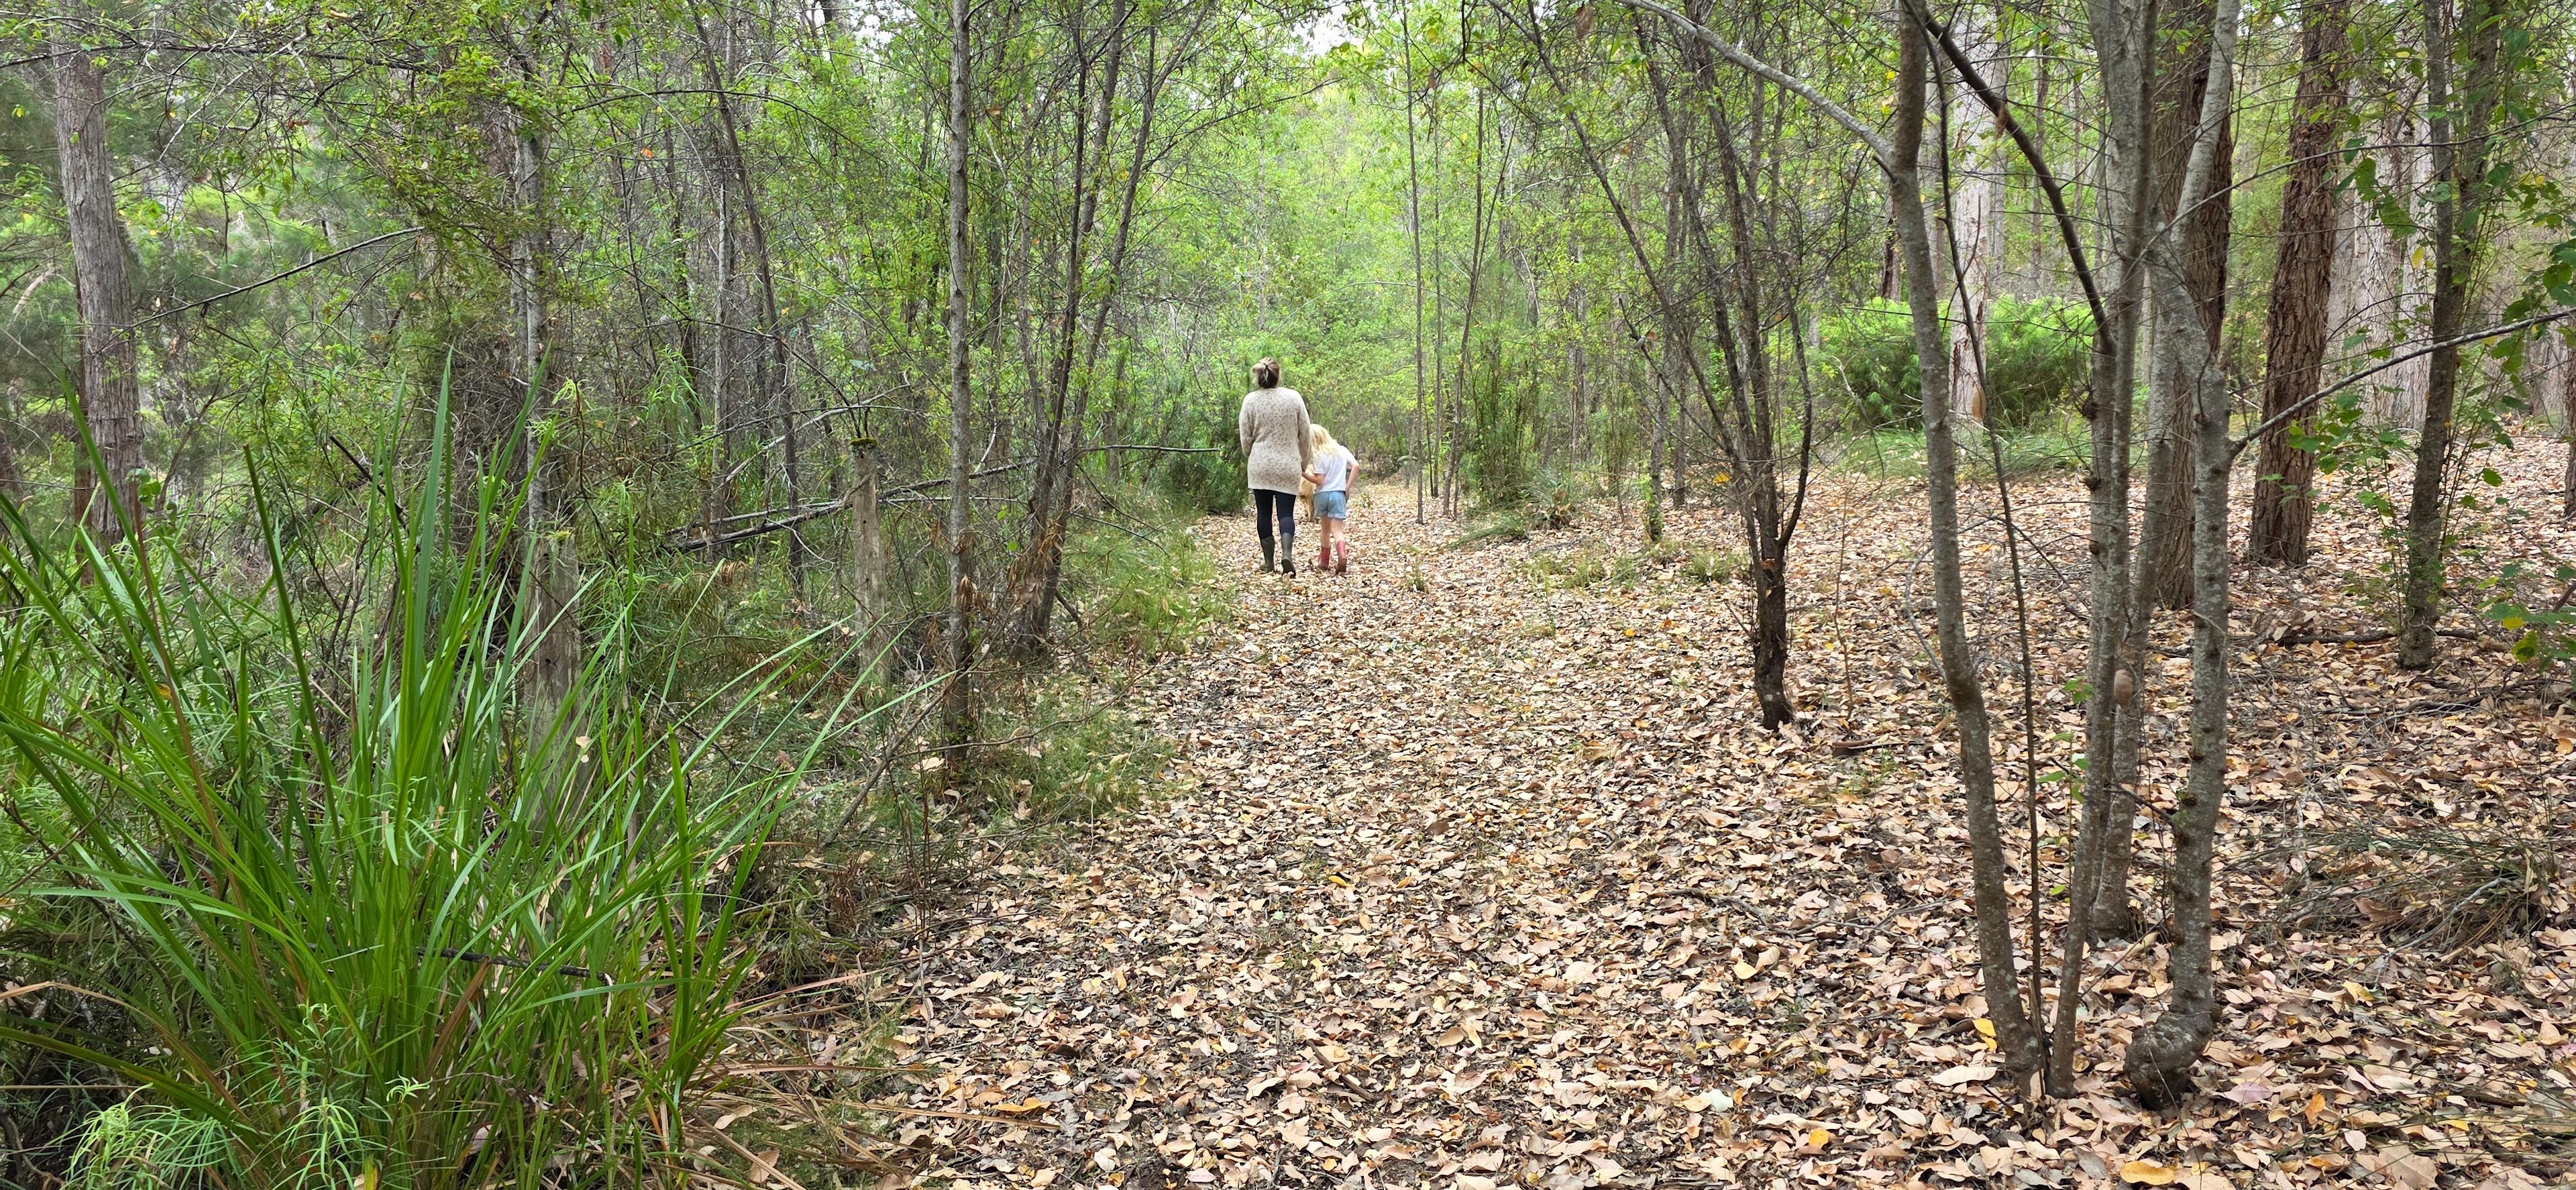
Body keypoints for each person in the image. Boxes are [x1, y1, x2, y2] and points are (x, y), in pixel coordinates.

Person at [1237, 358, 1317, 575]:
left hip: (1260, 464)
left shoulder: (1250, 401)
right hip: (1287, 464)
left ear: (1258, 377)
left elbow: (1245, 437)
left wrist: (1250, 454)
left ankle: (1268, 561)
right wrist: (1303, 461)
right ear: (1278, 375)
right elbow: (1305, 434)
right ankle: (1287, 555)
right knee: (1286, 513)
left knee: (1263, 512)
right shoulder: (1294, 398)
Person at [1307, 423, 1356, 575]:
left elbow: (1320, 480)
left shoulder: (1318, 454)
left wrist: (1303, 474)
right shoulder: (1342, 450)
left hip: (1323, 495)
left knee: (1325, 530)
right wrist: (1347, 487)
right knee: (1337, 530)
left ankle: (1324, 562)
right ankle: (1342, 556)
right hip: (1338, 494)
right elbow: (1356, 466)